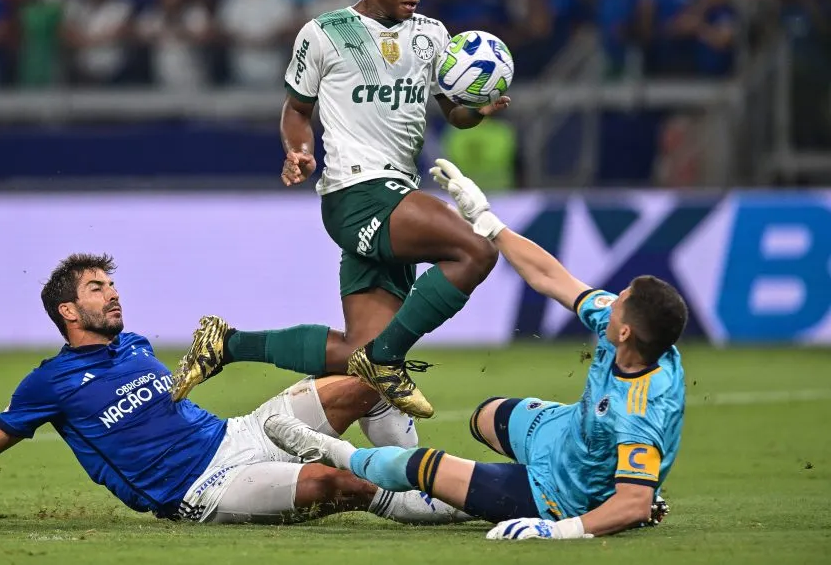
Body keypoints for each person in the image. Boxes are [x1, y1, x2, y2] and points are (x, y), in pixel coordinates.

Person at [170, 0, 510, 419]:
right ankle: (386, 360)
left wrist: (478, 109)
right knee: (476, 251)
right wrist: (299, 151)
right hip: (357, 192)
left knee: (357, 353)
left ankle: (225, 344)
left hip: (398, 193)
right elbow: (296, 109)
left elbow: (453, 112)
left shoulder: (433, 35)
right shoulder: (325, 33)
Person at [0, 254, 466, 527]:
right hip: (202, 488)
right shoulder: (49, 382)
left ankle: (427, 475)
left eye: (111, 285)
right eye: (97, 288)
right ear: (69, 311)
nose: (113, 294)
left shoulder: (134, 345)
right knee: (342, 484)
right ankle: (446, 503)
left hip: (242, 433)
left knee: (366, 381)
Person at [261, 159, 686, 540]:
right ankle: (504, 489)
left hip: (561, 492)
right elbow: (551, 277)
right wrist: (486, 220)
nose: (613, 299)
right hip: (566, 433)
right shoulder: (623, 327)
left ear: (625, 333)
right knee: (487, 417)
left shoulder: (642, 409)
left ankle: (334, 452)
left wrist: (562, 530)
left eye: (622, 301)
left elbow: (634, 504)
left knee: (418, 467)